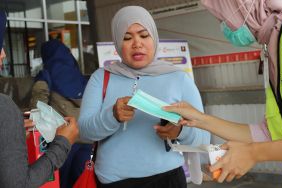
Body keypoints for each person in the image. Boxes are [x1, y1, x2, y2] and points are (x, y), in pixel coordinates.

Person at [163, 0, 282, 187]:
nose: (224, 26)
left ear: (246, 6)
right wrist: (201, 119)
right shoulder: (278, 41)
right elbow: (271, 133)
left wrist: (252, 153)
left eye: (225, 17)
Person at [78, 6, 210, 188]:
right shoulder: (101, 77)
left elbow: (204, 137)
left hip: (167, 180)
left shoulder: (178, 78)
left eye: (143, 35)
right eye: (127, 37)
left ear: (154, 38)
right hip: (114, 182)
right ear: (117, 42)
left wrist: (180, 131)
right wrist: (112, 116)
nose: (137, 43)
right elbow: (85, 131)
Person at [0, 11, 79, 187]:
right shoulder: (4, 107)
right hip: (65, 139)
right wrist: (63, 144)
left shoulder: (45, 76)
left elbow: (37, 104)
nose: (4, 54)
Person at [30, 39, 92, 188]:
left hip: (64, 142)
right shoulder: (81, 77)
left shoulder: (46, 75)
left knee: (62, 182)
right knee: (82, 182)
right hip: (87, 142)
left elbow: (37, 107)